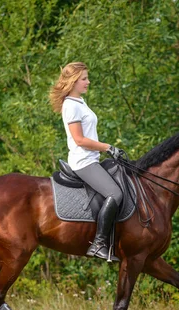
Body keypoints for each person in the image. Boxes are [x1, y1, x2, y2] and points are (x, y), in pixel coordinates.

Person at [50, 62, 125, 262]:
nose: (88, 82)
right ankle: (99, 244)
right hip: (83, 162)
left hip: (92, 159)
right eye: (84, 78)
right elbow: (80, 140)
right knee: (115, 193)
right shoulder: (71, 105)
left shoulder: (80, 102)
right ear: (74, 81)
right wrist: (108, 147)